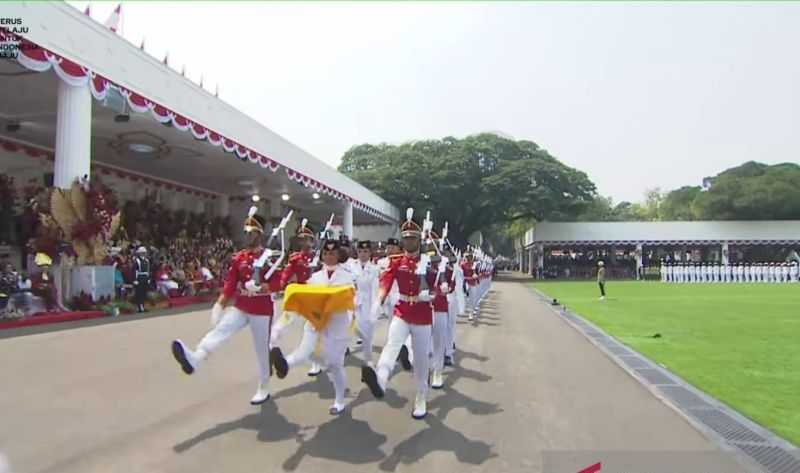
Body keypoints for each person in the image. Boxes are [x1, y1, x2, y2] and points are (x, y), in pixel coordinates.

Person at [170, 207, 279, 405]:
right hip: (241, 305)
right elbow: (230, 283)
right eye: (245, 232)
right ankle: (195, 359)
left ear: (260, 234)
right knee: (219, 331)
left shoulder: (269, 257)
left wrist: (263, 287)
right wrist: (219, 304)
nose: (247, 236)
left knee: (261, 350)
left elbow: (280, 282)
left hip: (261, 310)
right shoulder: (239, 258)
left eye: (251, 232)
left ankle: (264, 386)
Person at [362, 209, 436, 419]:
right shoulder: (396, 260)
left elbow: (440, 285)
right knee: (392, 344)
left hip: (422, 316)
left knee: (420, 361)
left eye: (412, 238)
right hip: (402, 310)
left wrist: (433, 294)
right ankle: (380, 380)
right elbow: (386, 281)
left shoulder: (429, 261)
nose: (408, 241)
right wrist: (379, 300)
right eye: (405, 238)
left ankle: (421, 396)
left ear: (418, 240)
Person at [270, 239, 354, 415]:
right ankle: (284, 364)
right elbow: (301, 302)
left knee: (334, 364)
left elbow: (350, 301)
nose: (329, 256)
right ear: (322, 255)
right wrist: (280, 326)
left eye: (332, 253)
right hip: (315, 323)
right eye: (326, 253)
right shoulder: (314, 278)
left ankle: (339, 399)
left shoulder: (347, 276)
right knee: (304, 351)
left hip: (336, 326)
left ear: (338, 255)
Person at [271, 221, 318, 373]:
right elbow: (285, 275)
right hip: (299, 299)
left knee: (311, 334)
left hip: (316, 301)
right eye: (301, 239)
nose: (304, 242)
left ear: (312, 240)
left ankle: (316, 363)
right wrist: (280, 286)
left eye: (307, 238)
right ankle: (271, 349)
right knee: (280, 324)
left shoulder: (321, 257)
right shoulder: (296, 258)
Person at [352, 240, 380, 366]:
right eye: (360, 251)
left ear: (370, 253)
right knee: (353, 329)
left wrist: (375, 309)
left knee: (367, 335)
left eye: (365, 251)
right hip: (353, 304)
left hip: (368, 304)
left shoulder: (374, 269)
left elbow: (375, 290)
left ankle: (368, 360)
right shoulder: (351, 267)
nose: (363, 254)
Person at [132, 247, 151, 313]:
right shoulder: (137, 261)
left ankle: (143, 306)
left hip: (145, 277)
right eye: (142, 252)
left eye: (144, 252)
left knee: (144, 292)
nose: (144, 254)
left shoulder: (147, 261)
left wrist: (148, 278)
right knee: (139, 293)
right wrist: (135, 279)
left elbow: (148, 270)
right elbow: (135, 271)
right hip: (139, 277)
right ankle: (140, 307)